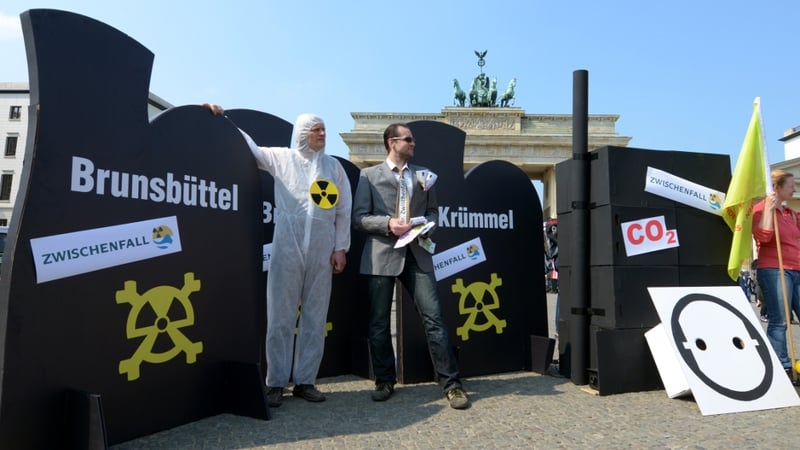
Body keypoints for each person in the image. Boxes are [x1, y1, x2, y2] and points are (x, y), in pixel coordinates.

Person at [204, 104, 351, 406]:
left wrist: (340, 248)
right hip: (287, 245)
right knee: (281, 316)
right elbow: (251, 149)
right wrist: (224, 118)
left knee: (315, 316)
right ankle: (276, 382)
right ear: (303, 133)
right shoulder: (283, 158)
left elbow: (343, 210)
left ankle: (306, 381)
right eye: (316, 130)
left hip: (322, 250)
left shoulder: (333, 167)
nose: (323, 134)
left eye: (324, 129)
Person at [352, 123, 470, 409]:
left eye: (412, 139)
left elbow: (433, 211)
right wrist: (388, 224)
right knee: (379, 323)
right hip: (382, 255)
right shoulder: (369, 175)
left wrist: (429, 225)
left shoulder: (424, 175)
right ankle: (384, 380)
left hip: (418, 254)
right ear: (392, 142)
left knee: (434, 319)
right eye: (408, 139)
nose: (413, 143)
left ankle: (452, 384)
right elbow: (359, 218)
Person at [752, 169, 800, 379]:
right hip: (775, 269)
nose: (794, 189)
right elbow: (763, 236)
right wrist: (769, 211)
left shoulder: (791, 214)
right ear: (776, 188)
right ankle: (782, 366)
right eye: (791, 185)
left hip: (796, 269)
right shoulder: (761, 210)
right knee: (780, 320)